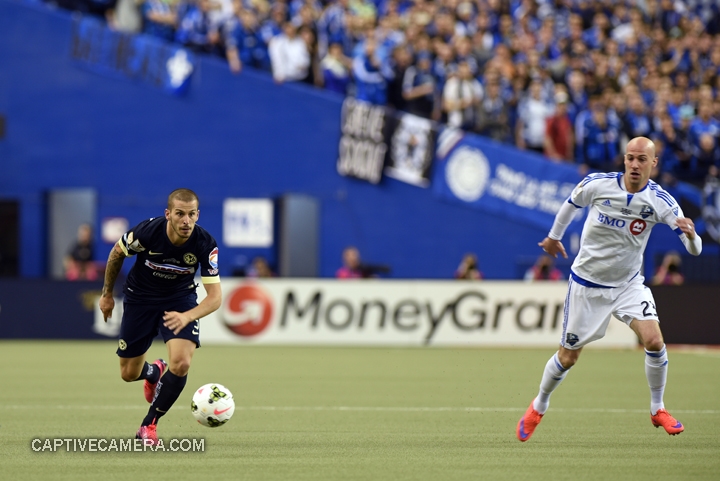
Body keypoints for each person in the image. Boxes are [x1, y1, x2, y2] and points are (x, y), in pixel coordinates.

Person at [516, 137, 702, 442]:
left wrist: (692, 236)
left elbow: (694, 249)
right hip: (587, 285)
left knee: (654, 341)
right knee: (567, 357)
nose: (634, 164)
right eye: (630, 158)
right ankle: (539, 405)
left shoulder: (661, 201)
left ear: (653, 164)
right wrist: (553, 237)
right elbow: (570, 204)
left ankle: (658, 409)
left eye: (642, 159)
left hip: (628, 284)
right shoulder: (598, 185)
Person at [98, 189, 222, 445]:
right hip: (140, 298)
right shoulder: (148, 232)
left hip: (179, 300)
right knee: (128, 373)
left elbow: (215, 298)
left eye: (191, 215)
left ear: (198, 215)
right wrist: (107, 294)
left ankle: (148, 425)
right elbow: (116, 254)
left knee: (182, 363)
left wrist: (188, 315)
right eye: (179, 214)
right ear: (169, 214)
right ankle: (154, 372)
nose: (185, 221)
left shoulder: (204, 243)